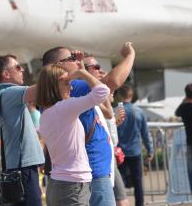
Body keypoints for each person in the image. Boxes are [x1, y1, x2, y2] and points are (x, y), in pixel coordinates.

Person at [41, 42, 135, 206]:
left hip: (85, 173)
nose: (76, 59)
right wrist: (130, 55)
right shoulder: (71, 88)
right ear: (58, 66)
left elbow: (107, 111)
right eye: (71, 58)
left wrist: (81, 67)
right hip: (91, 173)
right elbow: (110, 83)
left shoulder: (56, 99)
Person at [37, 64, 110, 205]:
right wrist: (83, 73)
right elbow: (102, 91)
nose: (71, 88)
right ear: (53, 86)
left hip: (58, 183)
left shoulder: (46, 114)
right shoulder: (64, 108)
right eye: (66, 83)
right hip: (73, 184)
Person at [0, 55, 44, 206]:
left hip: (18, 166)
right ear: (6, 74)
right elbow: (43, 88)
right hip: (23, 168)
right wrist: (57, 69)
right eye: (18, 67)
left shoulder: (0, 96)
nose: (23, 70)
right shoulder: (10, 93)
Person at [83, 56, 128, 206]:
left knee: (121, 200)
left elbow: (107, 118)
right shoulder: (86, 97)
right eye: (96, 67)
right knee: (122, 200)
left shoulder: (94, 99)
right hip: (97, 168)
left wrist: (114, 122)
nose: (101, 71)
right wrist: (130, 54)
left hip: (105, 164)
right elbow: (113, 82)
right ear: (84, 71)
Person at [116, 84, 153, 206]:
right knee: (138, 183)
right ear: (131, 95)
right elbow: (145, 134)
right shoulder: (139, 112)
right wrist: (150, 150)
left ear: (120, 95)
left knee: (119, 182)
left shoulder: (116, 111)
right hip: (135, 151)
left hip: (119, 153)